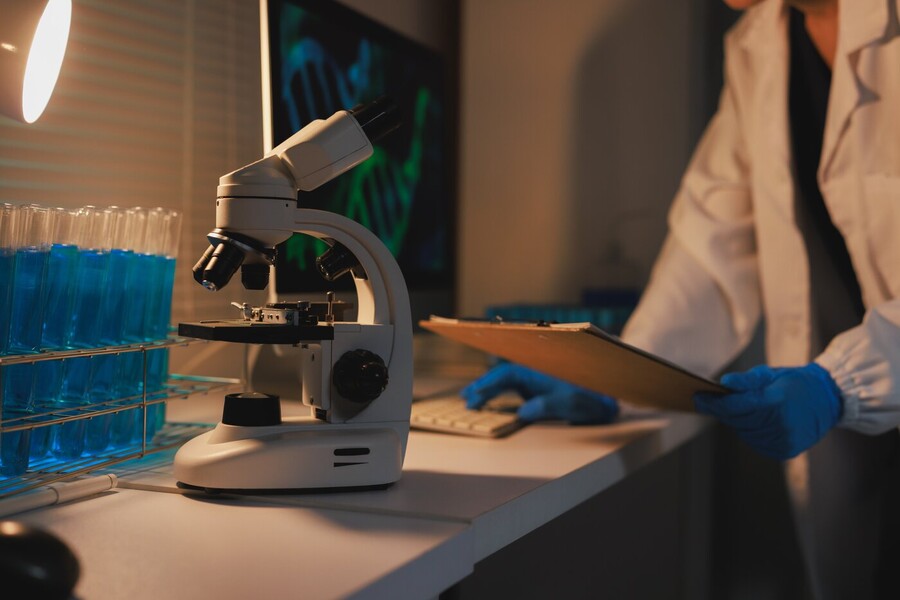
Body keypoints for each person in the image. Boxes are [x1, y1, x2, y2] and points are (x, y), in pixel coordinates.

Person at [462, 0, 900, 597]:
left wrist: (842, 383)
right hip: (858, 448)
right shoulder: (758, 44)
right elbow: (712, 246)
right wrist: (619, 372)